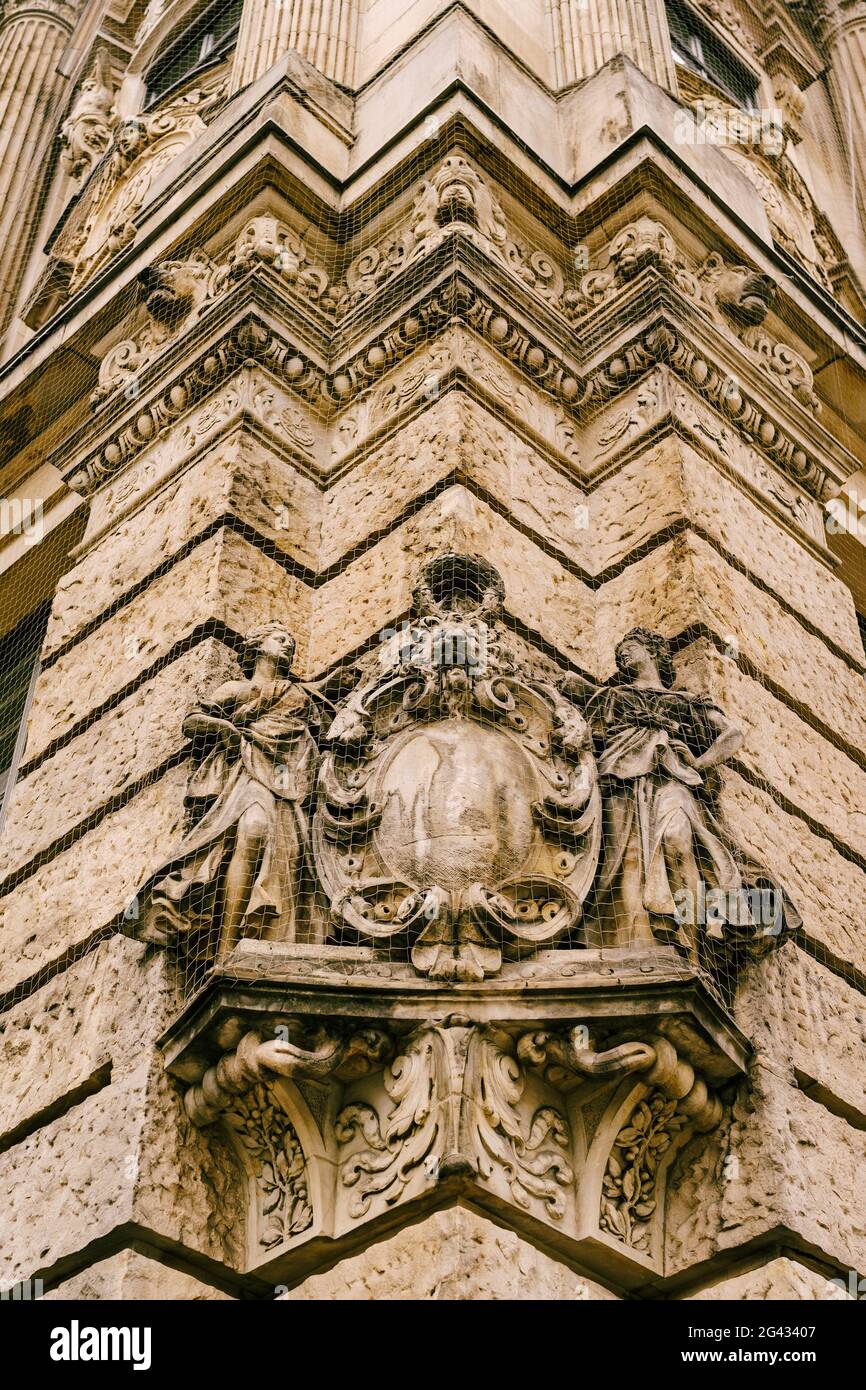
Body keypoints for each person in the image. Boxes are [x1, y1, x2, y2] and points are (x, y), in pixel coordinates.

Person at [560, 627, 800, 965]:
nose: (622, 656)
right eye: (618, 654)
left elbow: (732, 734)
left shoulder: (687, 702)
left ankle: (690, 945)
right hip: (619, 781)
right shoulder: (612, 696)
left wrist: (700, 762)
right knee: (624, 862)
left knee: (677, 839)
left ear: (654, 651)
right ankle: (633, 944)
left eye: (629, 647)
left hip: (671, 777)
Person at [139, 624, 321, 960]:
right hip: (247, 769)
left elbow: (320, 729)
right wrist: (225, 729)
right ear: (258, 646)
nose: (287, 647)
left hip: (289, 780)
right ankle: (225, 946)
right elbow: (193, 721)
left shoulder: (300, 695)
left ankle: (274, 938)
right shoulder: (237, 689)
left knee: (290, 854)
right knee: (252, 829)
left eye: (292, 644)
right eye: (279, 640)